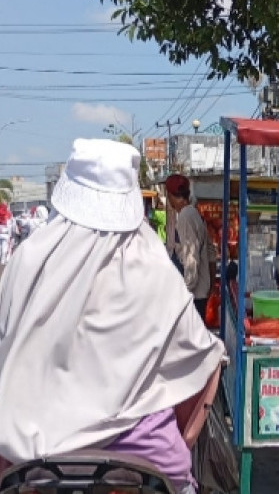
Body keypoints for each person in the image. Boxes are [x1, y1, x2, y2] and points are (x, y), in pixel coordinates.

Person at [0, 139, 225, 490]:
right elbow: (202, 359)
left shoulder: (27, 260)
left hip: (24, 459)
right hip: (145, 462)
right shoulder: (153, 264)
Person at [165, 174, 217, 320]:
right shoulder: (194, 213)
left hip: (192, 295)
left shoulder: (185, 216)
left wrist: (185, 291)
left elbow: (191, 256)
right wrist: (210, 284)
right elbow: (211, 251)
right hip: (200, 293)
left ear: (170, 195)